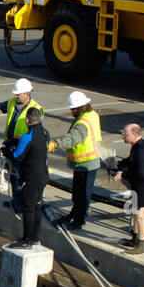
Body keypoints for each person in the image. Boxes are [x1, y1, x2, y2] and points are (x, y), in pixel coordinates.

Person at [46, 90, 102, 230]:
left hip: (87, 162)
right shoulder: (91, 114)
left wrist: (55, 144)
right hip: (86, 161)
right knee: (78, 191)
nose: (71, 111)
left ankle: (79, 220)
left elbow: (72, 139)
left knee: (83, 194)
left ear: (80, 107)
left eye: (73, 109)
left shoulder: (82, 123)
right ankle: (74, 213)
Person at [5, 107, 50, 248]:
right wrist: (15, 142)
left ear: (26, 120)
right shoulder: (44, 133)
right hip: (43, 176)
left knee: (28, 208)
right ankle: (35, 238)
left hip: (31, 178)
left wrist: (6, 150)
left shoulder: (27, 136)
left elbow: (17, 157)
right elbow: (33, 147)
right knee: (36, 207)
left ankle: (27, 239)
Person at [112, 123, 144, 258]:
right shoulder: (138, 146)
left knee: (140, 215)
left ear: (136, 135)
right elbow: (132, 161)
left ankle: (141, 246)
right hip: (138, 185)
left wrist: (123, 175)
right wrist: (121, 164)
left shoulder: (142, 149)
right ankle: (135, 238)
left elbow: (141, 172)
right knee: (134, 213)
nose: (123, 137)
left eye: (125, 134)